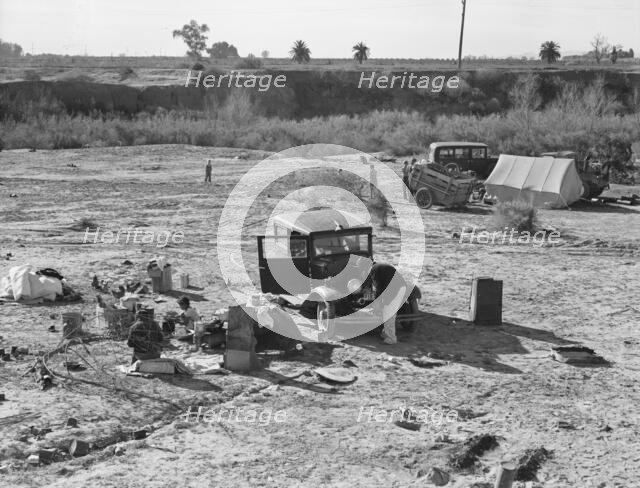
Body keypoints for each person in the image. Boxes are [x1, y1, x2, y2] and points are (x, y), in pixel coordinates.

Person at [356, 258, 408, 345]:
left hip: (395, 289)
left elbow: (379, 288)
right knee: (388, 312)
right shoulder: (378, 266)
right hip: (400, 287)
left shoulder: (374, 270)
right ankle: (385, 333)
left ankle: (391, 339)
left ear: (364, 267)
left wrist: (375, 302)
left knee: (389, 313)